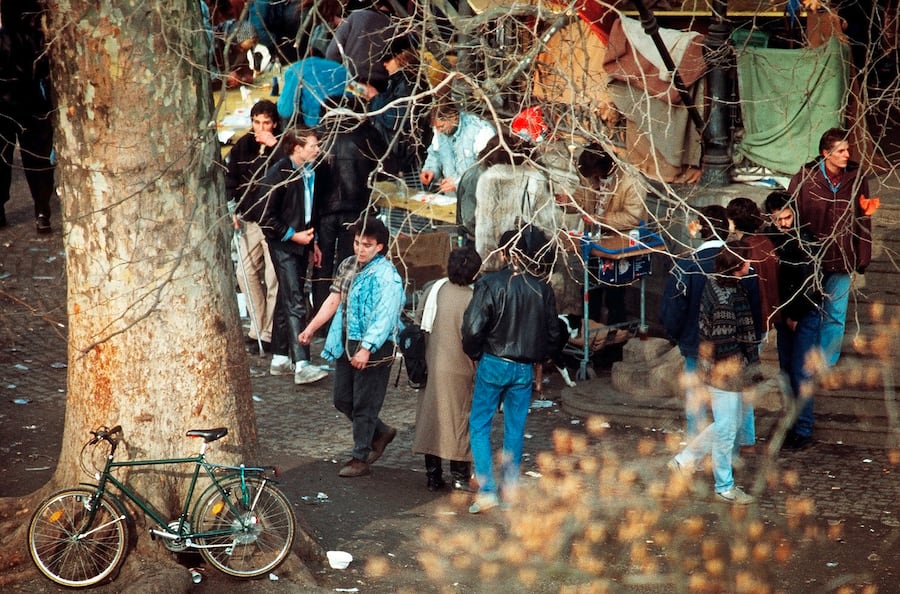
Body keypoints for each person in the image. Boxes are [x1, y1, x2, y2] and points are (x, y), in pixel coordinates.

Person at [461, 227, 560, 513]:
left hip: (493, 361)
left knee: (479, 426)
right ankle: (511, 489)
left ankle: (488, 491)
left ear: (504, 253)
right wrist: (540, 357)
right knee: (514, 430)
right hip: (523, 368)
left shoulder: (490, 284)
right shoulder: (542, 289)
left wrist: (476, 353)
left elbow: (472, 328)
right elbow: (554, 333)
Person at [299, 216, 404, 477]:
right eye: (357, 243)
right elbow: (334, 300)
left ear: (379, 247)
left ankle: (360, 457)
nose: (360, 249)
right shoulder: (348, 265)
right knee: (342, 398)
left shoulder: (387, 276)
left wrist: (367, 347)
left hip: (375, 345)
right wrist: (311, 328)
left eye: (367, 245)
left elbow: (385, 315)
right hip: (347, 340)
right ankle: (380, 432)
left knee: (365, 403)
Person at [668, 240, 762, 505]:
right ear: (736, 266)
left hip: (716, 371)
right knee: (726, 429)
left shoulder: (720, 285)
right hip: (725, 374)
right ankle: (723, 486)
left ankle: (684, 462)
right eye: (746, 260)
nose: (750, 264)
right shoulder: (726, 296)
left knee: (724, 425)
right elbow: (724, 342)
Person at [788, 127, 873, 368]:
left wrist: (863, 253)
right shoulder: (805, 177)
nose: (847, 155)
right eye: (841, 151)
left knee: (836, 314)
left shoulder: (857, 178)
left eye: (848, 150)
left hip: (844, 257)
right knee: (808, 311)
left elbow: (865, 217)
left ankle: (827, 363)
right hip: (811, 260)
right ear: (826, 153)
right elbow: (790, 214)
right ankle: (806, 359)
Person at [254, 126, 329, 385]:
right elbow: (265, 218)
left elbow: (310, 209)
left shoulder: (309, 171)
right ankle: (302, 363)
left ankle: (280, 357)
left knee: (289, 294)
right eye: (312, 146)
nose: (317, 150)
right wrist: (292, 235)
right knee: (296, 298)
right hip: (284, 244)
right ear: (297, 148)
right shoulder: (279, 174)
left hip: (301, 240)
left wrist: (313, 242)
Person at [412, 246, 483, 492]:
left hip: (433, 365)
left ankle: (433, 476)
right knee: (460, 421)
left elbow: (419, 323)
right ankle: (459, 475)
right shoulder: (474, 298)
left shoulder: (434, 290)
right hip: (463, 368)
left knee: (432, 420)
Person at [659, 205, 730, 439]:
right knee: (727, 407)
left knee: (696, 404)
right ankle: (728, 454)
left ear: (700, 228)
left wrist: (678, 336)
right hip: (729, 346)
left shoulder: (687, 265)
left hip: (694, 343)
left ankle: (696, 455)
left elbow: (673, 310)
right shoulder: (739, 263)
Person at [311, 103, 387, 313]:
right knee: (349, 263)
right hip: (356, 208)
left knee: (322, 264)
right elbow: (385, 166)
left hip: (325, 210)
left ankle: (320, 312)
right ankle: (344, 312)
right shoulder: (367, 135)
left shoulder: (321, 137)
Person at [764, 191, 823, 450]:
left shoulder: (806, 240)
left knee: (801, 371)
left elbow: (810, 283)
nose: (785, 224)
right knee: (787, 369)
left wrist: (795, 315)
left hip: (804, 312)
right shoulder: (772, 238)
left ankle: (803, 428)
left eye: (788, 218)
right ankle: (792, 423)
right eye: (780, 220)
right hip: (784, 313)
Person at [725, 196, 780, 454]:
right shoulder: (766, 243)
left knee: (739, 383)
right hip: (765, 318)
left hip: (749, 321)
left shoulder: (741, 249)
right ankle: (747, 437)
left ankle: (743, 437)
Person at [572, 143, 647, 329]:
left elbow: (632, 217)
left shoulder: (631, 180)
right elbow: (580, 199)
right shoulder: (590, 177)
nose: (593, 179)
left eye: (595, 175)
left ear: (605, 167)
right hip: (594, 244)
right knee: (589, 292)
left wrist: (600, 219)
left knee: (615, 295)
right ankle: (590, 333)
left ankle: (616, 338)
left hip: (618, 245)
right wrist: (568, 202)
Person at [227, 100, 282, 351]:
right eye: (257, 122)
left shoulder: (282, 145)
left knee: (273, 278)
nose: (261, 128)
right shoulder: (242, 145)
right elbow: (231, 180)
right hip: (249, 218)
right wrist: (233, 210)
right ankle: (257, 328)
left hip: (275, 220)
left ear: (274, 123)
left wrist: (275, 147)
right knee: (245, 274)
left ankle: (269, 333)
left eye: (266, 123)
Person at [0, 0, 56, 232]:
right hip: (33, 103)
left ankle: (3, 211)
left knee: (3, 158)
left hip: (7, 104)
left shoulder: (6, 37)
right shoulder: (43, 39)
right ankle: (42, 210)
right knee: (38, 159)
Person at [473, 134, 562, 270]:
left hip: (499, 257)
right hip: (529, 257)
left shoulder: (487, 180)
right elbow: (549, 222)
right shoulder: (535, 178)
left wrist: (487, 262)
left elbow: (484, 226)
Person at [360, 37, 426, 177]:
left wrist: (374, 97)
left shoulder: (408, 83)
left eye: (388, 60)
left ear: (400, 58)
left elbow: (394, 118)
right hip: (394, 153)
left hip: (402, 157)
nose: (384, 64)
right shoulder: (398, 80)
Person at [419, 102, 496, 195]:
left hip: (476, 196)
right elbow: (435, 154)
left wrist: (458, 183)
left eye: (441, 126)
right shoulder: (439, 130)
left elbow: (485, 169)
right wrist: (430, 170)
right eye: (436, 128)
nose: (439, 131)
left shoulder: (481, 130)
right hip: (451, 196)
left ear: (454, 117)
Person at [324, 0, 394, 91]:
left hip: (350, 80)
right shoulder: (400, 28)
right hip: (381, 86)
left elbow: (332, 52)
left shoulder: (357, 17)